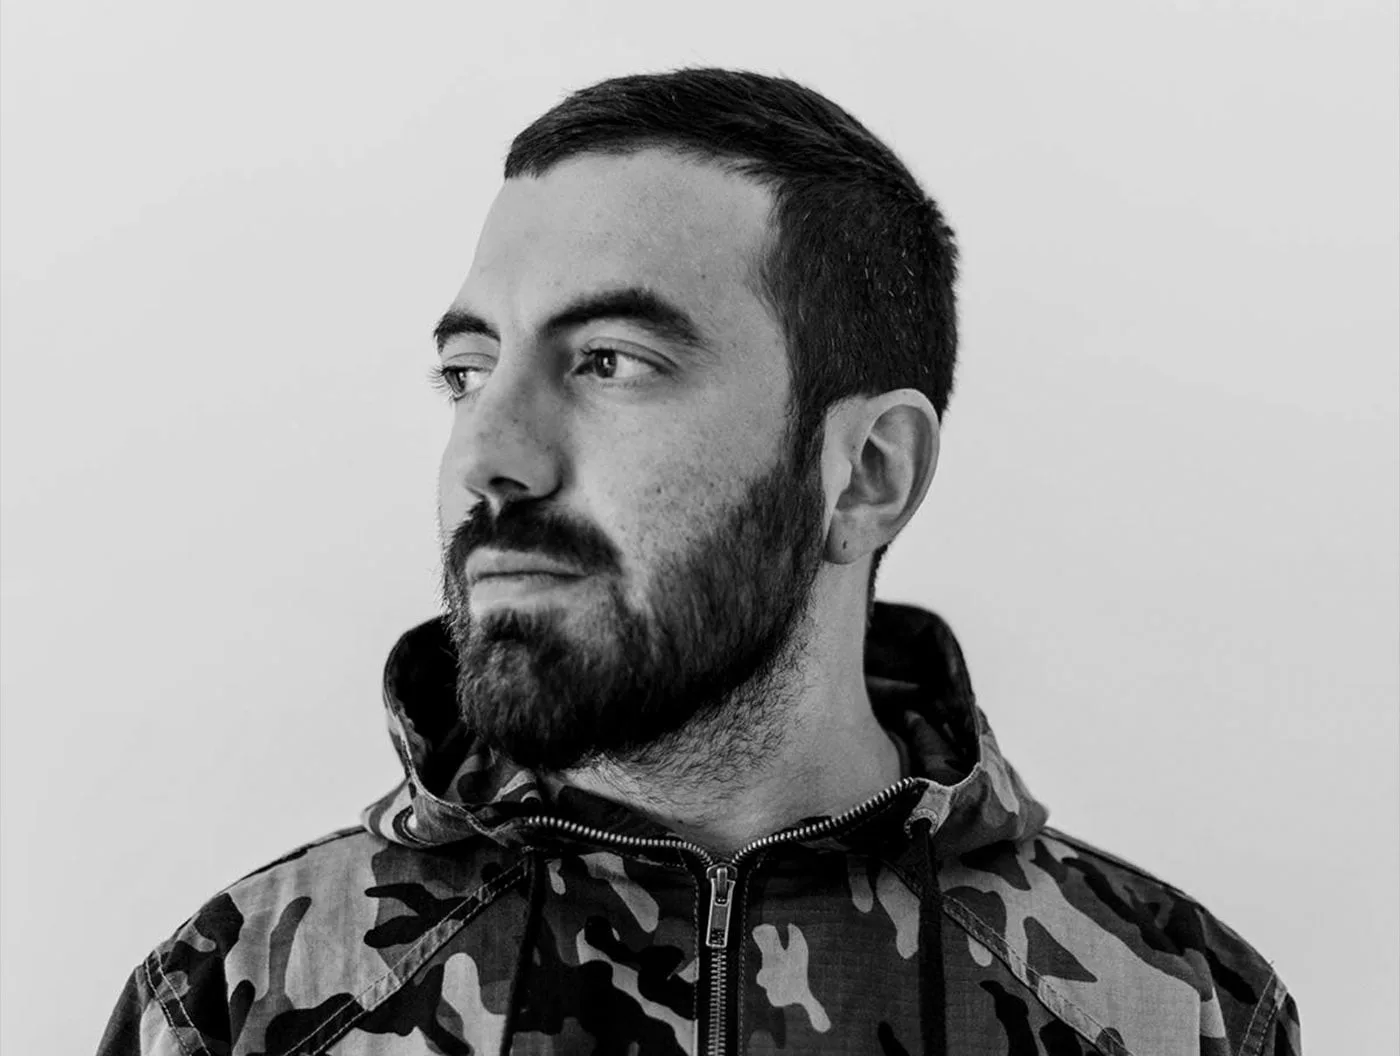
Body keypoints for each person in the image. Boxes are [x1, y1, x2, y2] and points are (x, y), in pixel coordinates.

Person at [97, 68, 1301, 1056]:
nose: (485, 458)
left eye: (608, 362)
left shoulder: (1172, 1011)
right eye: (467, 372)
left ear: (865, 473)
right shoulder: (240, 998)